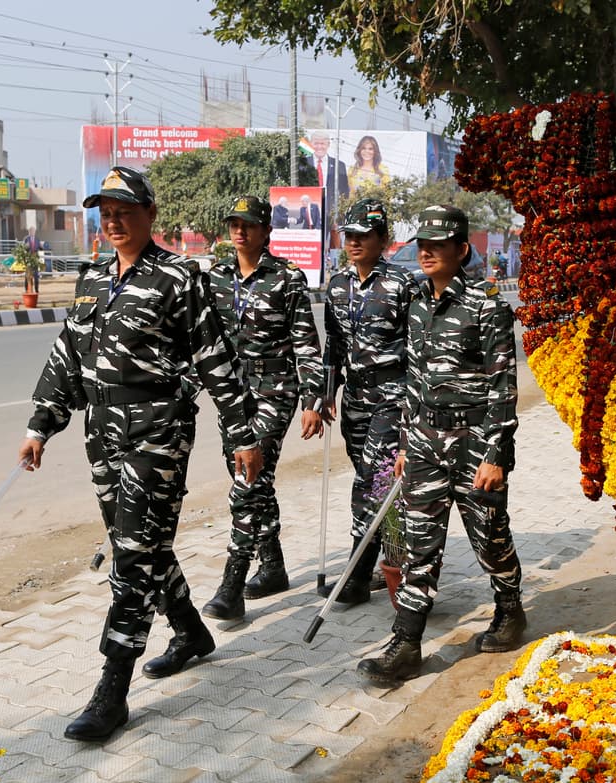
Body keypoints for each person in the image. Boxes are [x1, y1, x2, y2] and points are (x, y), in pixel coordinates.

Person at [16, 166, 261, 743]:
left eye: (126, 210)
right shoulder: (92, 279)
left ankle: (112, 688)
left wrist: (242, 434)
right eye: (106, 211)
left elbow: (217, 359)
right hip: (102, 430)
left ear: (150, 214)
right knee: (144, 545)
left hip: (159, 429)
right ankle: (191, 632)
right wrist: (39, 427)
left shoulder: (180, 278)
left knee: (132, 556)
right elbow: (66, 356)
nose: (114, 221)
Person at [357, 204, 524, 686]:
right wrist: (408, 439)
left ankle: (510, 609)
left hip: (474, 442)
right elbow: (412, 378)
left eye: (437, 244)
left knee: (489, 538)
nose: (426, 252)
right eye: (421, 245)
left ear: (461, 249)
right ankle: (406, 643)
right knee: (417, 544)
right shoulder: (416, 305)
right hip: (426, 442)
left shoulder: (487, 304)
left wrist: (495, 454)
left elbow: (503, 387)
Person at [199, 196, 326, 621]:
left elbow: (307, 343)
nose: (239, 231)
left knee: (247, 481)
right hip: (232, 395)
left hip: (275, 389)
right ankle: (272, 567)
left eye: (248, 224)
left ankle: (231, 585)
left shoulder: (287, 278)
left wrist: (312, 399)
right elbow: (203, 342)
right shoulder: (215, 278)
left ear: (265, 231)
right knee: (255, 479)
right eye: (234, 224)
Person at [318, 198, 414, 606]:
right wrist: (324, 394)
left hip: (391, 398)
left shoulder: (401, 285)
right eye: (350, 236)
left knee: (369, 485)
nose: (355, 243)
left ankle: (357, 576)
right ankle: (392, 559)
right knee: (376, 482)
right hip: (355, 398)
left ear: (381, 239)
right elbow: (333, 347)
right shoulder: (337, 286)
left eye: (364, 236)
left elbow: (416, 349)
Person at [22, 225, 45, 292]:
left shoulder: (37, 239)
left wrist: (42, 246)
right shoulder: (26, 239)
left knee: (36, 275)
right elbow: (23, 248)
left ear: (35, 232)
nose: (32, 232)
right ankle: (27, 289)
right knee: (27, 275)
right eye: (31, 231)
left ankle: (37, 289)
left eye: (33, 231)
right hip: (28, 259)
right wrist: (26, 246)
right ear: (29, 232)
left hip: (35, 259)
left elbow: (41, 248)